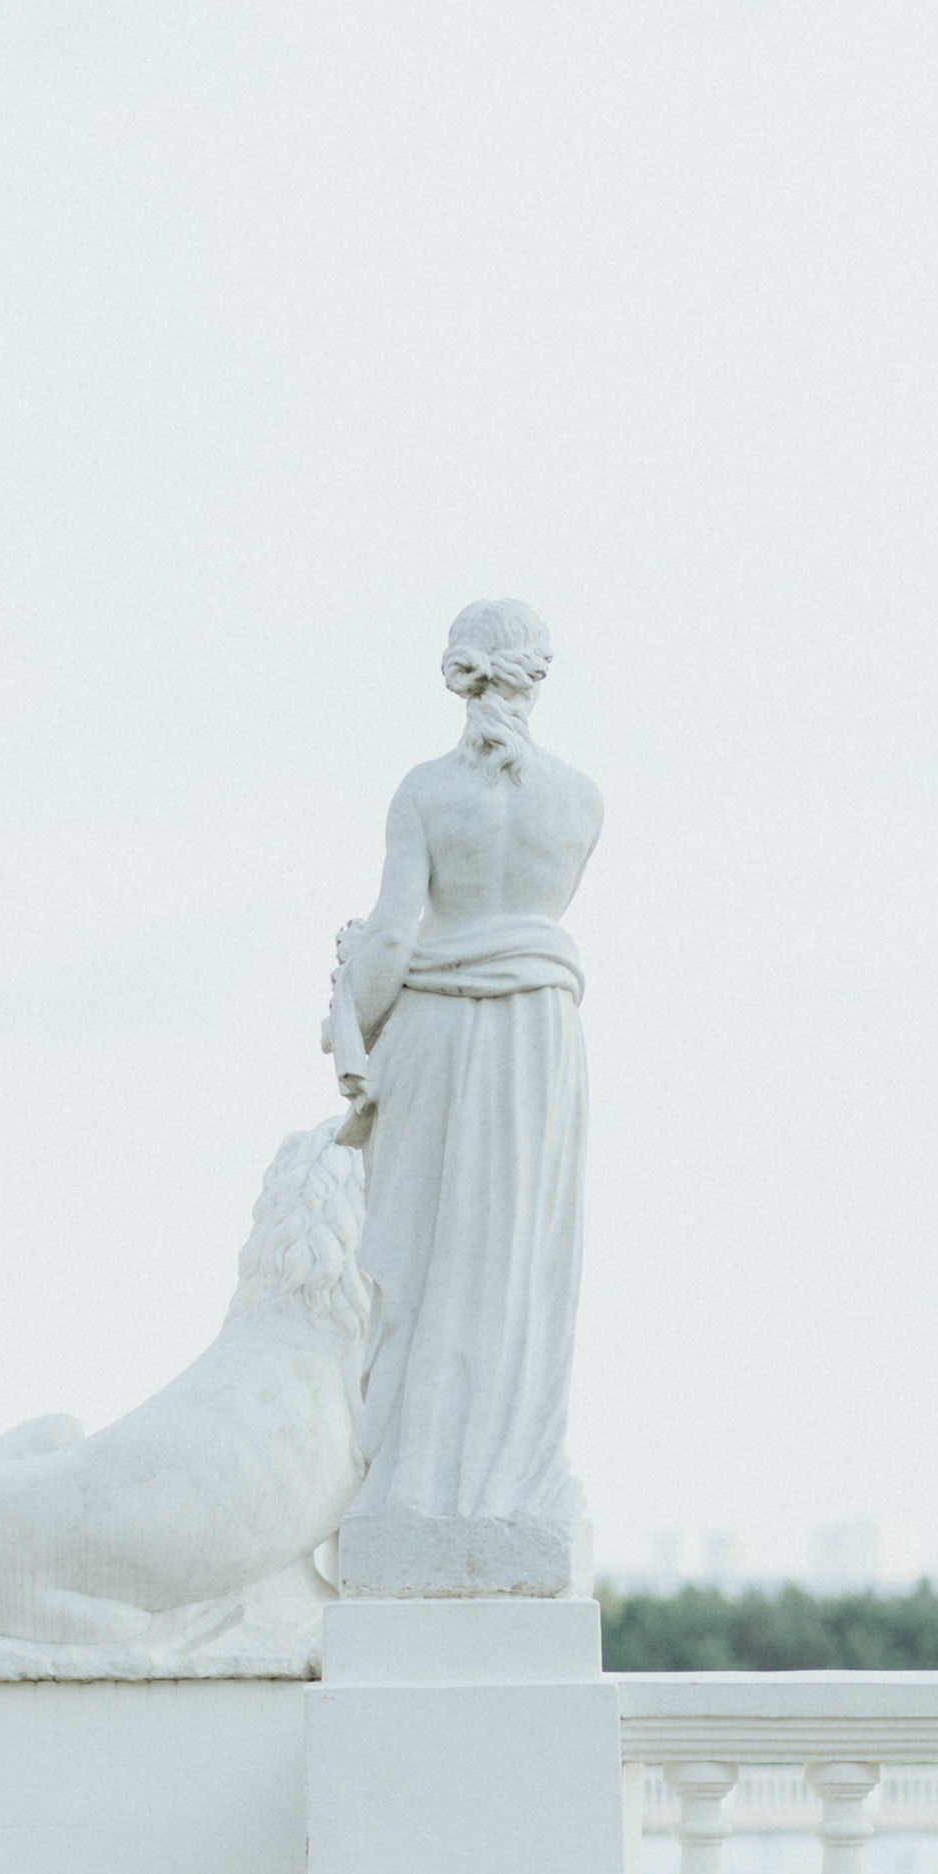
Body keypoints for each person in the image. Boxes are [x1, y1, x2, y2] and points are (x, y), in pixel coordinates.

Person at [325, 597, 605, 1595]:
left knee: (427, 1260)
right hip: (536, 1037)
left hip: (440, 1033)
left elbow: (393, 938)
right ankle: (500, 1483)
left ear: (457, 670)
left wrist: (345, 1017)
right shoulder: (581, 800)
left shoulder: (425, 793)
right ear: (539, 672)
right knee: (514, 1266)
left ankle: (414, 1485)